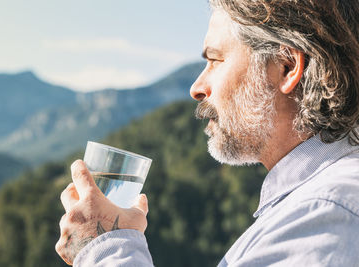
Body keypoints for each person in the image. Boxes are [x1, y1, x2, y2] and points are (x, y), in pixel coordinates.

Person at [55, 0, 359, 266]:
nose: (196, 88)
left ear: (286, 66)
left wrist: (105, 247)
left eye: (214, 60)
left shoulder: (323, 213)